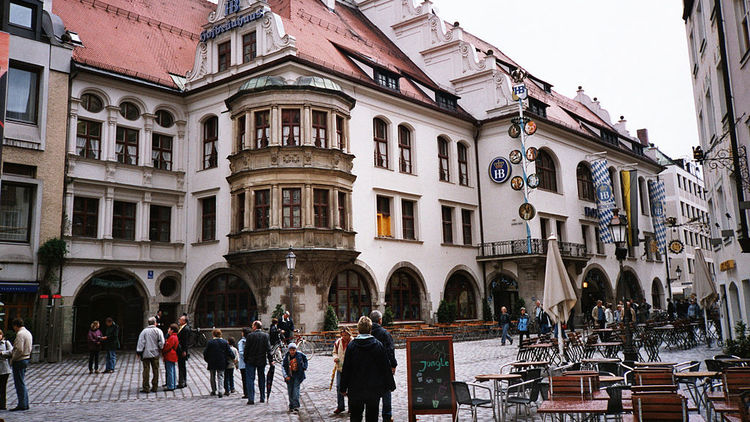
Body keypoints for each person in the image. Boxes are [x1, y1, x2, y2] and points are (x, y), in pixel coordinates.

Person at [341, 316, 396, 422]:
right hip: (373, 389)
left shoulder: (352, 346)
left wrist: (343, 387)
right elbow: (385, 367)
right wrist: (390, 385)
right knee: (372, 417)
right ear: (370, 329)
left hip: (355, 389)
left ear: (358, 329)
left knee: (356, 417)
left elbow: (346, 368)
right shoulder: (378, 346)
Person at [244, 320, 273, 405]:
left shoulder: (250, 336)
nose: (252, 327)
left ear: (255, 326)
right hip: (261, 360)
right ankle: (262, 397)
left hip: (251, 360)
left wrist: (245, 359)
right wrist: (270, 360)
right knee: (261, 378)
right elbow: (269, 349)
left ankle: (251, 398)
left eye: (253, 325)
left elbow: (247, 349)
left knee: (250, 379)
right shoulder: (265, 335)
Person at [136, 316, 165, 393]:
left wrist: (139, 352)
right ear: (155, 323)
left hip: (146, 353)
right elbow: (162, 342)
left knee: (146, 370)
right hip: (155, 353)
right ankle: (155, 386)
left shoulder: (144, 332)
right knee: (155, 370)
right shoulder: (158, 331)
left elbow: (141, 342)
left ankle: (146, 387)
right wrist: (161, 348)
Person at [203, 328, 233, 398]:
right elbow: (229, 352)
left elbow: (205, 353)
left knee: (212, 376)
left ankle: (213, 390)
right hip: (221, 362)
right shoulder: (224, 342)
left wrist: (207, 360)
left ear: (213, 334)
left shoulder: (210, 342)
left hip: (212, 362)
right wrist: (233, 357)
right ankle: (220, 391)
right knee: (220, 376)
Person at [10, 318, 32, 411]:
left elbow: (19, 349)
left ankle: (22, 404)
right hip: (26, 358)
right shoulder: (27, 333)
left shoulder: (20, 334)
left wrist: (13, 359)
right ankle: (25, 403)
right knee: (22, 382)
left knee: (19, 383)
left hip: (20, 360)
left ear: (16, 325)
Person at [282, 342, 308, 413]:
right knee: (290, 391)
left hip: (298, 375)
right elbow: (283, 366)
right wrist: (285, 376)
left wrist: (304, 367)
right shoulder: (286, 357)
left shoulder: (300, 355)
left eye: (294, 350)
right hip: (289, 376)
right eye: (291, 350)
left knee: (296, 390)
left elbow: (305, 359)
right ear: (289, 350)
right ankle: (291, 405)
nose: (292, 352)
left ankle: (296, 405)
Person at [332, 327, 352, 415]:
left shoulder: (353, 342)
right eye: (342, 335)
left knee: (350, 388)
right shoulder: (338, 342)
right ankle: (340, 406)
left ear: (349, 334)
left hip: (350, 369)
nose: (344, 337)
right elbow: (334, 352)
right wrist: (335, 357)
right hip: (340, 368)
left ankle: (351, 407)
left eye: (346, 335)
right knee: (339, 386)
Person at [162, 323, 179, 391]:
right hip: (173, 354)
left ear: (172, 330)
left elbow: (167, 347)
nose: (168, 330)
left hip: (170, 355)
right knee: (172, 370)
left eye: (169, 329)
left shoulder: (172, 337)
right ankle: (173, 384)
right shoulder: (175, 336)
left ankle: (170, 385)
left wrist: (164, 348)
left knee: (170, 371)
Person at [176, 315, 191, 388]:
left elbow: (185, 341)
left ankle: (182, 382)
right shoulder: (182, 328)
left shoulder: (186, 329)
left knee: (182, 366)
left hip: (182, 350)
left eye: (180, 319)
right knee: (181, 366)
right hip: (180, 349)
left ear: (184, 321)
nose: (179, 320)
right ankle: (182, 381)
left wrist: (184, 350)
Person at [0, 329, 13, 410]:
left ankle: (2, 404)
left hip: (4, 369)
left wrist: (2, 353)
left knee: (3, 387)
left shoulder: (6, 343)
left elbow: (12, 352)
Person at [237, 327, 250, 398]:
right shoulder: (250, 341)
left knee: (245, 379)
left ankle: (247, 393)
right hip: (250, 362)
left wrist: (246, 358)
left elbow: (241, 352)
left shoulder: (241, 342)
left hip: (244, 363)